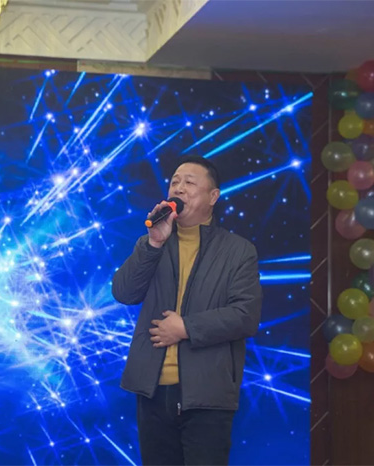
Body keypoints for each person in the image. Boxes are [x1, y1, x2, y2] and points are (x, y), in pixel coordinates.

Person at [112, 155, 263, 465]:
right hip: (153, 390)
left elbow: (245, 315)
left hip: (207, 393)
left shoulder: (238, 251)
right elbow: (124, 292)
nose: (178, 188)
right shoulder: (153, 243)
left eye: (189, 183)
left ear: (213, 196)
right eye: (174, 182)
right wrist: (153, 244)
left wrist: (186, 328)